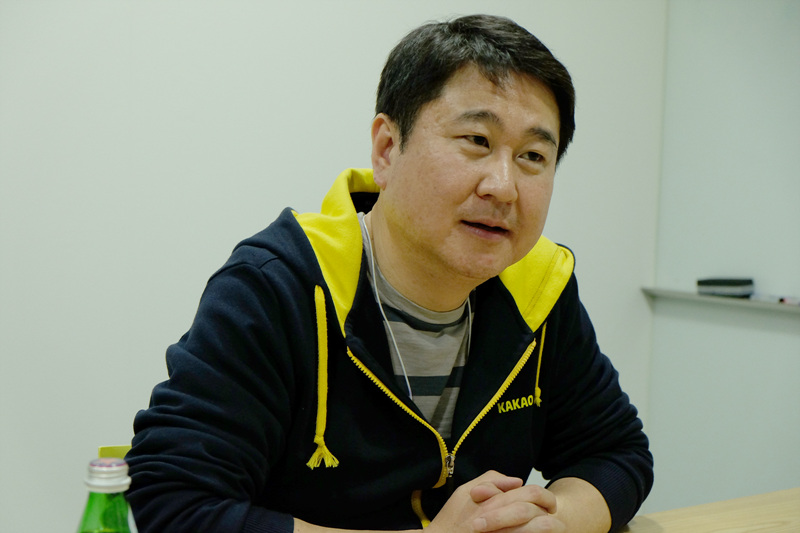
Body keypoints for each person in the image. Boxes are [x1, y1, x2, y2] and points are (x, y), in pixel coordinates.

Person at [126, 14, 653, 533]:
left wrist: (554, 523)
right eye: (476, 140)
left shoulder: (538, 287)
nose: (503, 186)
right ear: (386, 149)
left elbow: (615, 452)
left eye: (533, 156)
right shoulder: (277, 286)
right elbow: (174, 501)